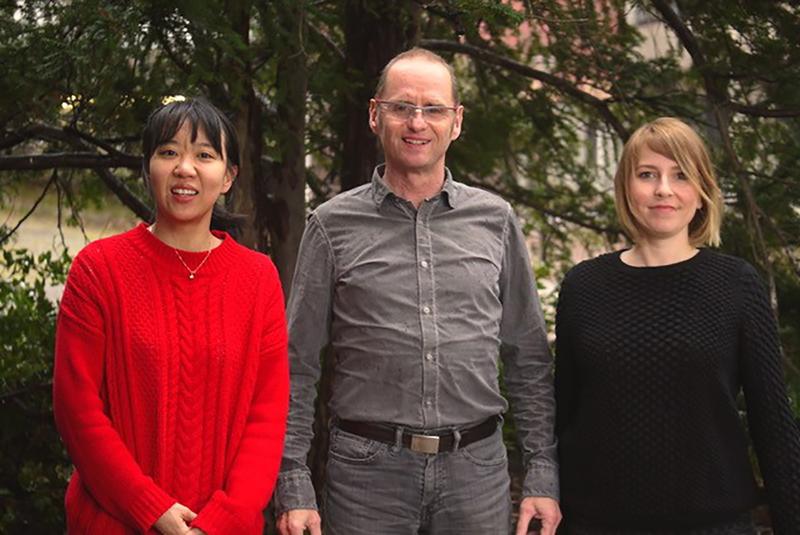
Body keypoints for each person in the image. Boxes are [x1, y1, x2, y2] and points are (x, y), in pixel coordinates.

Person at [273, 48, 561, 535]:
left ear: (457, 122)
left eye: (433, 109)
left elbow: (528, 357)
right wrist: (293, 480)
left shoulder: (495, 221)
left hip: (477, 473)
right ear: (374, 114)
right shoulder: (330, 226)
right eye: (402, 107)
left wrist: (542, 473)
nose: (417, 123)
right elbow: (295, 363)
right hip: (366, 477)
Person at [53, 98, 289, 534]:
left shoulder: (258, 279)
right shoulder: (99, 269)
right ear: (147, 169)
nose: (185, 168)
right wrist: (151, 509)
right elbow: (77, 408)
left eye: (204, 155)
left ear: (228, 177)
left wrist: (221, 520)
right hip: (114, 522)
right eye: (168, 152)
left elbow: (267, 415)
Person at [554, 117, 800, 534]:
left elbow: (772, 423)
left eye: (681, 175)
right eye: (647, 174)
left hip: (713, 524)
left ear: (702, 192)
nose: (663, 189)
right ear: (627, 189)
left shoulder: (736, 285)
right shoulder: (584, 286)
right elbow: (563, 417)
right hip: (599, 524)